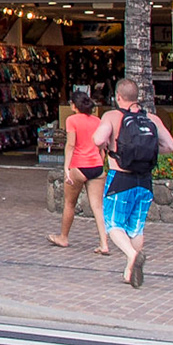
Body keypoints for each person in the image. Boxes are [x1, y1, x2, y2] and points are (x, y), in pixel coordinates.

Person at [94, 76, 173, 287]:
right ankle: (129, 272)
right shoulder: (153, 119)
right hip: (144, 180)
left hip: (120, 177)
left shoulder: (112, 116)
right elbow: (171, 147)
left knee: (113, 224)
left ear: (118, 96)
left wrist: (109, 148)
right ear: (137, 96)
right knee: (136, 228)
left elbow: (98, 139)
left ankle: (131, 255)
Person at [51, 89, 109, 254]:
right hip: (96, 166)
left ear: (74, 105)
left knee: (69, 203)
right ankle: (104, 243)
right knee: (98, 207)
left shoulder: (72, 120)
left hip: (79, 165)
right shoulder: (97, 121)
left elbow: (71, 145)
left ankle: (63, 237)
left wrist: (66, 168)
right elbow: (102, 147)